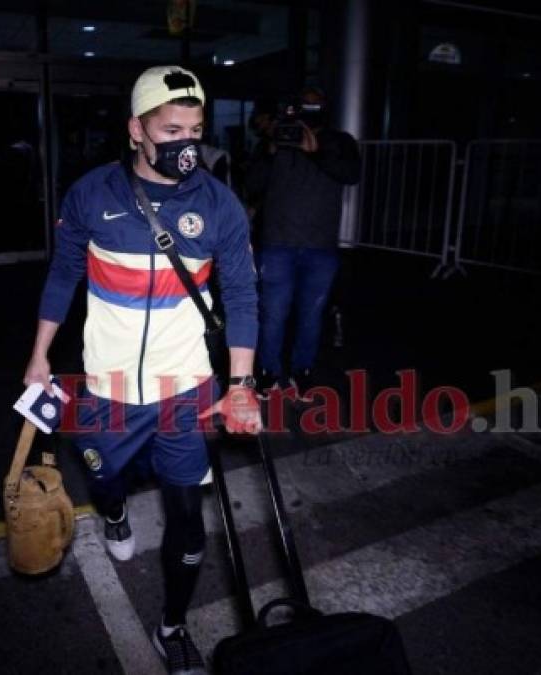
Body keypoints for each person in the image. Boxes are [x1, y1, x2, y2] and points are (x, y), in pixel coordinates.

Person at [22, 65, 261, 674]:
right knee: (104, 480)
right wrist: (40, 354)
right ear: (137, 130)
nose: (188, 142)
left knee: (189, 518)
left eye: (197, 129)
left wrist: (239, 386)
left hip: (183, 387)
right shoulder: (92, 195)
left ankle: (173, 625)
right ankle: (114, 510)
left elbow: (241, 294)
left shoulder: (220, 204)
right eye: (172, 129)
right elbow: (63, 274)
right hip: (107, 386)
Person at [245, 86, 361, 400]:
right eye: (304, 104)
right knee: (273, 313)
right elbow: (251, 186)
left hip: (321, 246)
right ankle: (269, 372)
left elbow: (351, 174)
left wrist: (318, 151)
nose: (309, 110)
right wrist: (269, 153)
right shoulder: (275, 142)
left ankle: (302, 371)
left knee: (311, 315)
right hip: (278, 243)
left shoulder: (340, 141)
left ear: (325, 108)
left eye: (316, 105)